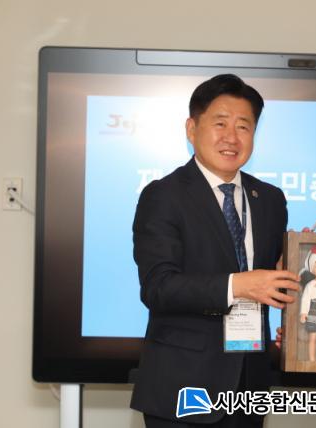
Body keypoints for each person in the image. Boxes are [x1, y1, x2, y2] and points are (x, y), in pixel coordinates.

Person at [129, 74, 300, 428]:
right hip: (184, 385)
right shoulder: (164, 195)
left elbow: (268, 275)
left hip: (249, 384)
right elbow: (158, 287)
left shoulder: (270, 199)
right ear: (191, 129)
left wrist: (301, 264)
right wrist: (239, 285)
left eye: (244, 126)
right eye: (220, 123)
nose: (232, 137)